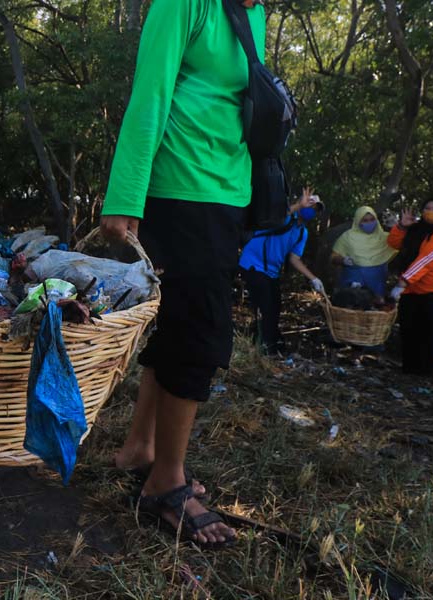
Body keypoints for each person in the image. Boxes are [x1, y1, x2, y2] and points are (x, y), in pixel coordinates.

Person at [101, 0, 270, 548]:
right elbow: (150, 93)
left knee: (178, 326)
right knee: (201, 332)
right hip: (181, 188)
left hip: (226, 193)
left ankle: (141, 451)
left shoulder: (255, 13)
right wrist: (124, 196)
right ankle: (166, 484)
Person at [239, 190, 325, 354]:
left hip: (271, 271)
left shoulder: (302, 232)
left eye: (315, 209)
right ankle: (264, 346)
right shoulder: (285, 218)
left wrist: (314, 279)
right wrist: (299, 205)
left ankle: (268, 342)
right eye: (310, 205)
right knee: (266, 305)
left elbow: (294, 259)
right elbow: (278, 215)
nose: (311, 210)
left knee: (275, 306)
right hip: (253, 264)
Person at [387, 202, 433, 375]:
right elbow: (394, 243)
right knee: (410, 330)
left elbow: (426, 261)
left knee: (432, 332)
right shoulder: (416, 229)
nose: (431, 212)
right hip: (412, 291)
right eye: (427, 208)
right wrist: (402, 226)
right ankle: (411, 369)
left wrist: (403, 282)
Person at [330, 206, 397, 298]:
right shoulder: (347, 237)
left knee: (376, 308)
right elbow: (333, 257)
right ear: (358, 221)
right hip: (353, 282)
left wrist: (397, 227)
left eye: (372, 219)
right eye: (365, 220)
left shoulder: (385, 238)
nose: (369, 223)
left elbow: (401, 244)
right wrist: (343, 260)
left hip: (377, 284)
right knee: (352, 306)